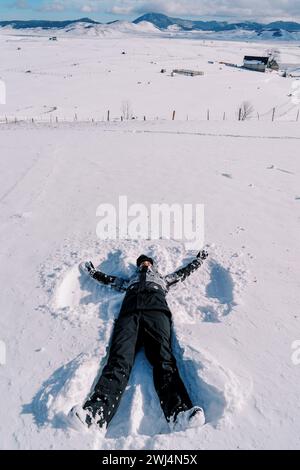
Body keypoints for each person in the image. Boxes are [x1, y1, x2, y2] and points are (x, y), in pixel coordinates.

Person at [71, 250, 208, 432]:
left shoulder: (163, 280)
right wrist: (93, 272)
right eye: (142, 262)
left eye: (147, 262)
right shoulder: (129, 282)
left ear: (152, 265)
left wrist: (198, 260)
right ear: (138, 266)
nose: (145, 264)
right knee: (119, 360)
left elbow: (183, 272)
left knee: (164, 360)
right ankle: (96, 414)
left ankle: (178, 413)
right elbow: (109, 280)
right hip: (129, 315)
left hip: (156, 313)